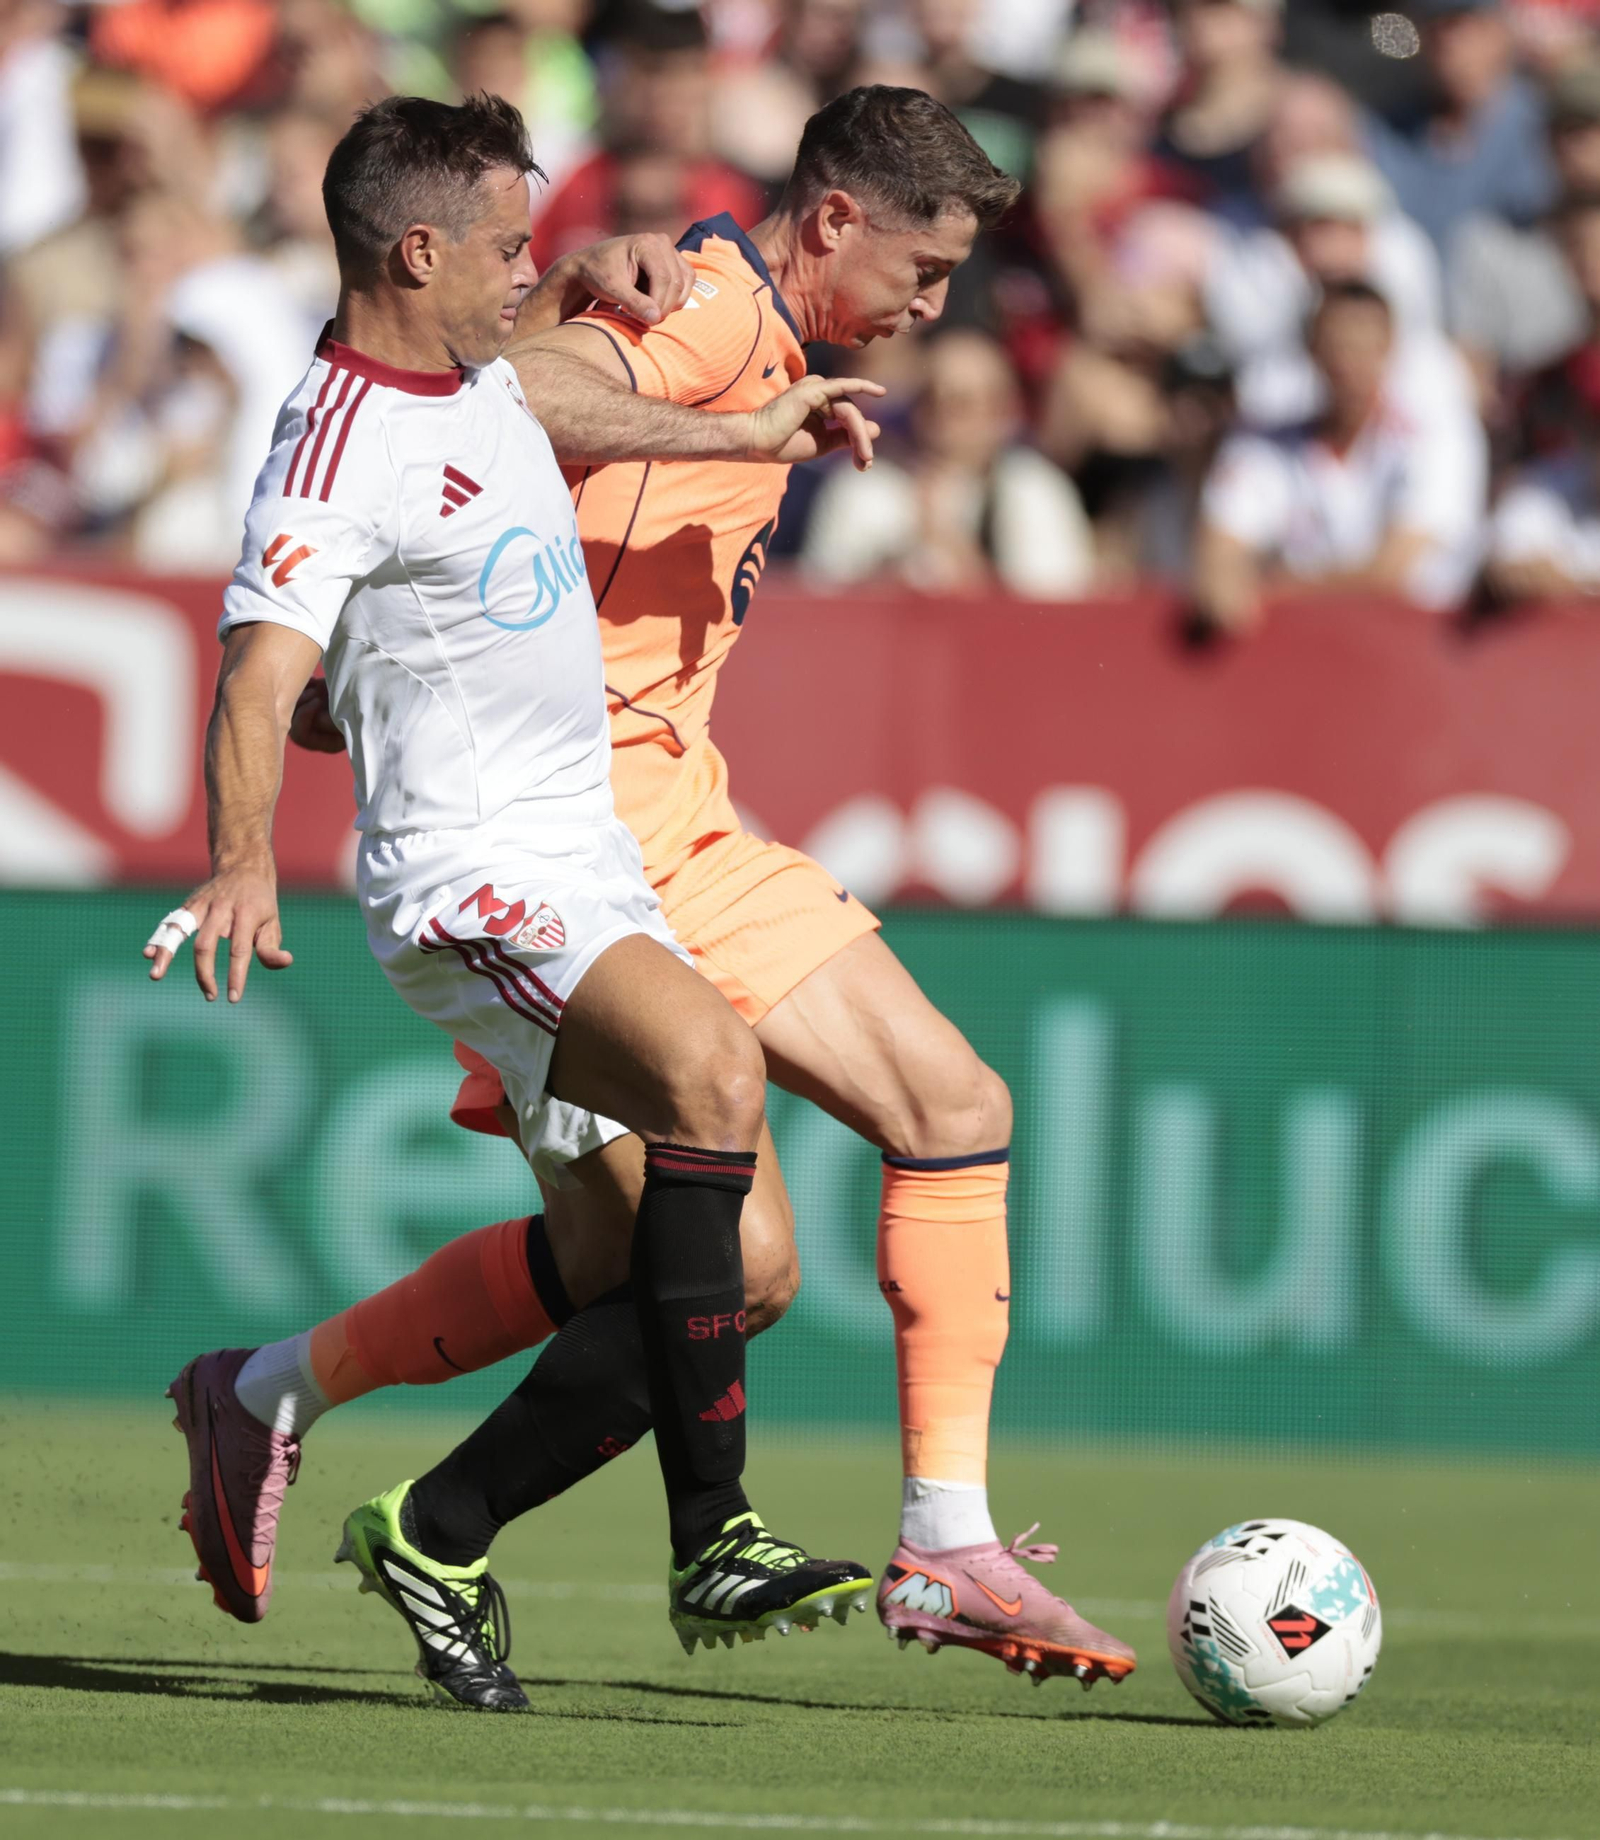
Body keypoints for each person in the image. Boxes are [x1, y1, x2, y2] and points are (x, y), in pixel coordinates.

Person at [199, 85, 1138, 1707]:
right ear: (833, 219)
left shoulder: (737, 316)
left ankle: (293, 1406)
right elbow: (531, 390)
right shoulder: (712, 315)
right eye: (921, 271)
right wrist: (715, 414)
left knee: (922, 1124)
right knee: (754, 1247)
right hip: (576, 840)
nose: (933, 310)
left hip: (678, 817)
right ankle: (820, 1535)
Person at [146, 91, 891, 1711]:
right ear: (417, 251)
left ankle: (386, 1484)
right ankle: (717, 1538)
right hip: (481, 886)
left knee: (696, 1270)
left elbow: (559, 384)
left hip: (584, 868)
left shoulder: (473, 364)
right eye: (503, 244)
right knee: (718, 1075)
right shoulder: (336, 444)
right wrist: (240, 855)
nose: (529, 267)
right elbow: (259, 671)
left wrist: (736, 425)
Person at [1193, 280, 1487, 633]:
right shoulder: (1264, 445)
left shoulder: (1439, 438)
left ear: (1390, 347)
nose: (1349, 364)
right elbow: (1220, 550)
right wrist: (1223, 579)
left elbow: (1390, 573)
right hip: (1311, 653)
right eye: (1336, 346)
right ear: (1311, 350)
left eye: (1365, 347)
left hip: (1418, 657)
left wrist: (1266, 587)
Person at [801, 326, 1094, 596]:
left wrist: (955, 551)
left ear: (1004, 412)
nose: (943, 419)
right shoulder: (864, 487)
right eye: (932, 399)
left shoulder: (1035, 490)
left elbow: (1054, 615)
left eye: (962, 404)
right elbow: (822, 600)